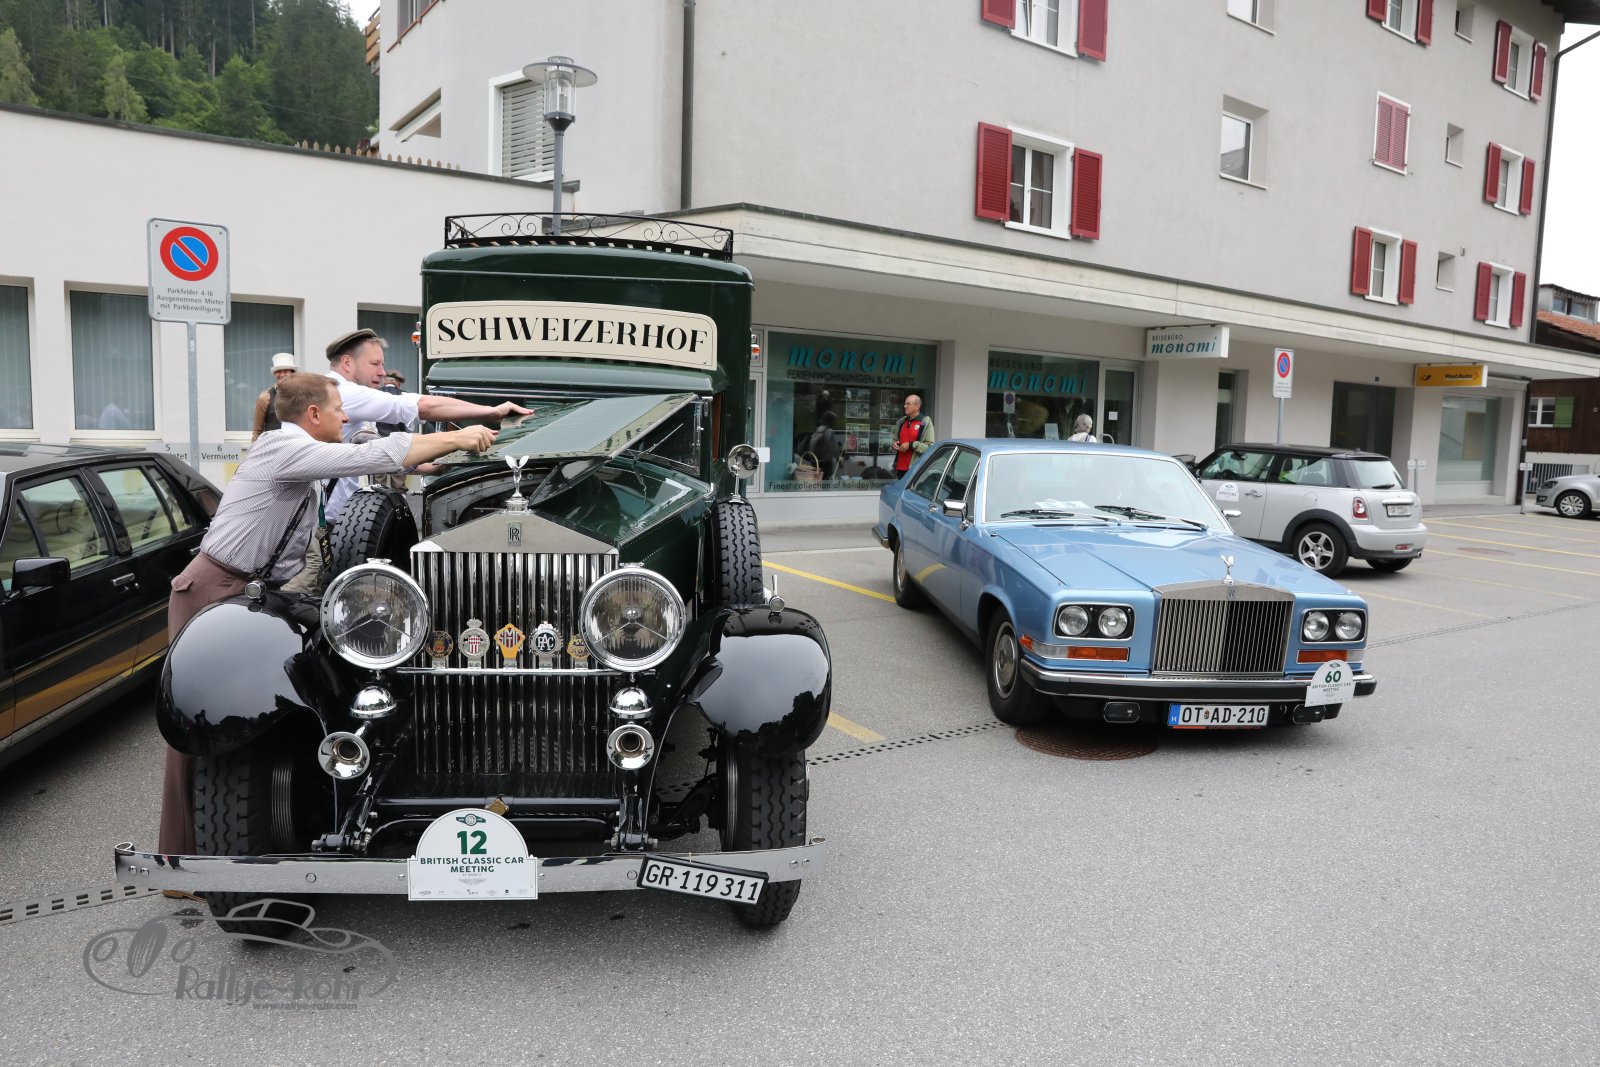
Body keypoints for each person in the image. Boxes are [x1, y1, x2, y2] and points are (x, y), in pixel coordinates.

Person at [158, 371, 499, 870]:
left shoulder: (301, 449)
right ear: (313, 414)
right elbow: (376, 454)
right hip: (216, 584)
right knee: (201, 725)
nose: (346, 417)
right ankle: (180, 860)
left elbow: (378, 455)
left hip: (249, 583)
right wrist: (461, 434)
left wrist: (448, 456)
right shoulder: (284, 447)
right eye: (340, 410)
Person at [250, 351, 299, 441]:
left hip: (296, 445)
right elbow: (257, 432)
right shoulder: (265, 397)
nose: (282, 375)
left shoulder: (301, 395)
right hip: (273, 446)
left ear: (292, 373)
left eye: (285, 371)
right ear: (274, 374)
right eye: (278, 371)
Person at [891, 394, 935, 476]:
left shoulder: (925, 422)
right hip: (899, 467)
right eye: (905, 404)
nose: (905, 406)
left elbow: (930, 446)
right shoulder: (901, 422)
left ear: (917, 406)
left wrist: (911, 445)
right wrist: (894, 445)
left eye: (908, 404)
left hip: (915, 469)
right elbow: (895, 440)